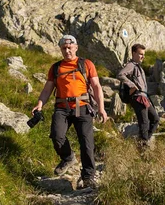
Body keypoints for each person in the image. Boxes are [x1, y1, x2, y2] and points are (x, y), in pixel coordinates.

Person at [32, 34, 108, 189]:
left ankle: (88, 177)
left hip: (82, 106)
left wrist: (101, 108)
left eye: (69, 47)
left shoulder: (86, 64)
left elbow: (96, 87)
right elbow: (47, 89)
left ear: (76, 47)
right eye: (64, 48)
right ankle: (68, 157)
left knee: (86, 142)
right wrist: (40, 104)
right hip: (62, 107)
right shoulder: (56, 67)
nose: (67, 51)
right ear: (61, 49)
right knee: (57, 135)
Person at [117, 43, 159, 146]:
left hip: (144, 97)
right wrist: (132, 85)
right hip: (138, 97)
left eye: (143, 54)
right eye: (140, 54)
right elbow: (120, 74)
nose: (143, 56)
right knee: (144, 123)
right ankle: (144, 146)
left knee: (155, 119)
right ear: (133, 53)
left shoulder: (138, 67)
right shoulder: (131, 65)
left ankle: (144, 141)